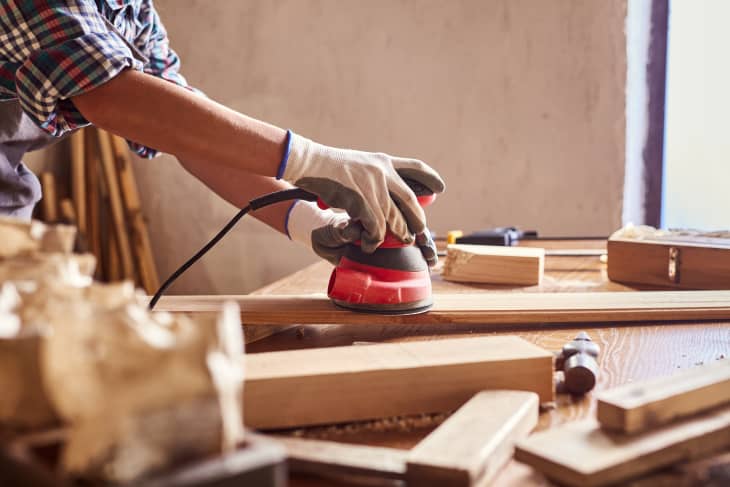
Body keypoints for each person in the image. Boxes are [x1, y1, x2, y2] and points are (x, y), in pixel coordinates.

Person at [0, 1, 444, 266]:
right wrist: (316, 161)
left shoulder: (129, 9)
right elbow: (109, 94)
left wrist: (311, 220)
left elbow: (182, 132)